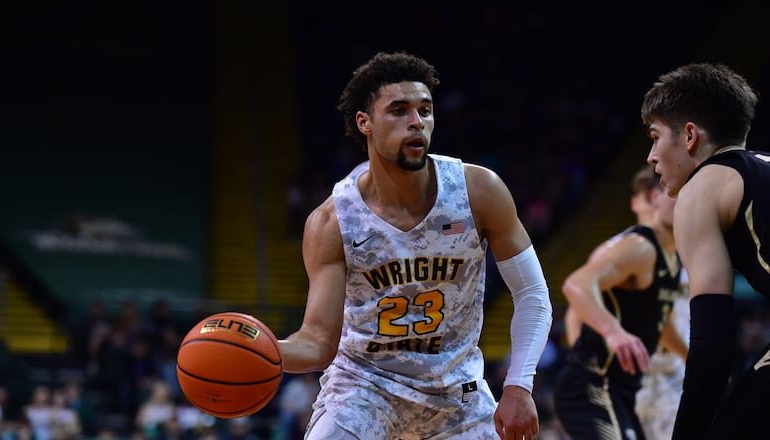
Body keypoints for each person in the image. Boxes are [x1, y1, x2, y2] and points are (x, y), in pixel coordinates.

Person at [275, 51, 553, 439]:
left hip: (457, 391)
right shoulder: (332, 221)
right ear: (365, 122)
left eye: (425, 110)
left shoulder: (478, 191)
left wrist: (519, 384)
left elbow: (532, 292)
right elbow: (318, 341)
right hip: (364, 388)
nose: (416, 122)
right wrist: (263, 353)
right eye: (399, 111)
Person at [643, 62, 770, 439]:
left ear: (690, 136)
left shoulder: (702, 189)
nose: (651, 156)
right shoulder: (761, 167)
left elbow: (713, 347)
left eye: (654, 137)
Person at [553, 166, 686, 440]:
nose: (686, 202)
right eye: (676, 194)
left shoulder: (673, 258)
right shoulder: (639, 246)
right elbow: (576, 284)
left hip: (623, 390)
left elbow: (659, 321)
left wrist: (691, 358)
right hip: (593, 385)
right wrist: (612, 333)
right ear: (655, 198)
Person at [563, 165, 667, 347]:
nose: (653, 204)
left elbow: (664, 318)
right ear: (634, 203)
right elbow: (575, 311)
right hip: (628, 363)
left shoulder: (674, 249)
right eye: (648, 197)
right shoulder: (624, 248)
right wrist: (583, 366)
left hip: (668, 367)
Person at [634, 267, 689, 440]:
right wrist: (696, 362)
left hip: (674, 376)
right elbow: (659, 321)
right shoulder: (646, 260)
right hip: (647, 378)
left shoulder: (690, 263)